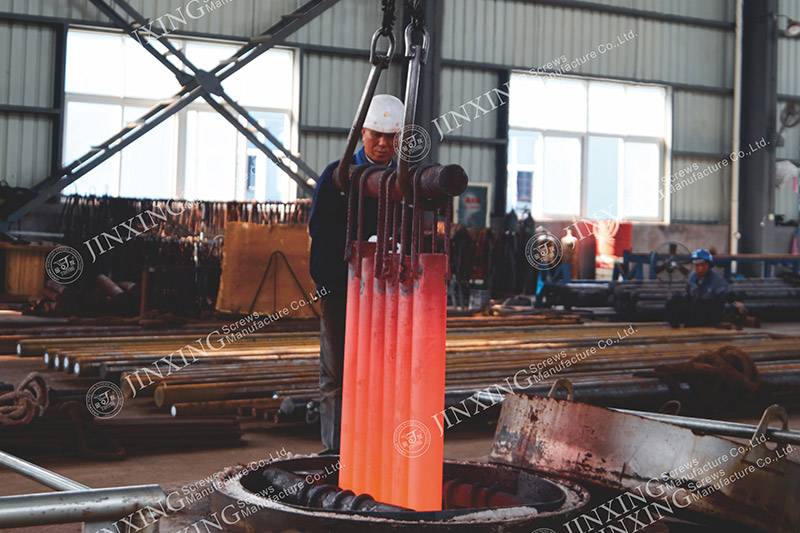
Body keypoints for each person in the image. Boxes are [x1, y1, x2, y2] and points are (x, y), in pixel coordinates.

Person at [308, 94, 404, 454]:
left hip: (389, 293)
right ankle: (336, 451)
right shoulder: (336, 178)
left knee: (382, 372)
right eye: (376, 135)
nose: (382, 144)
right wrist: (349, 266)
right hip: (341, 289)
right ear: (362, 133)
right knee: (337, 372)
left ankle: (373, 448)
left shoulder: (404, 182)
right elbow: (320, 232)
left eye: (390, 137)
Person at [665, 248, 730, 327]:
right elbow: (688, 295)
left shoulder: (717, 280)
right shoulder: (692, 277)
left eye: (703, 265)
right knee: (675, 299)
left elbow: (723, 300)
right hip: (695, 310)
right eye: (697, 265)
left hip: (709, 314)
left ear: (709, 265)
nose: (700, 268)